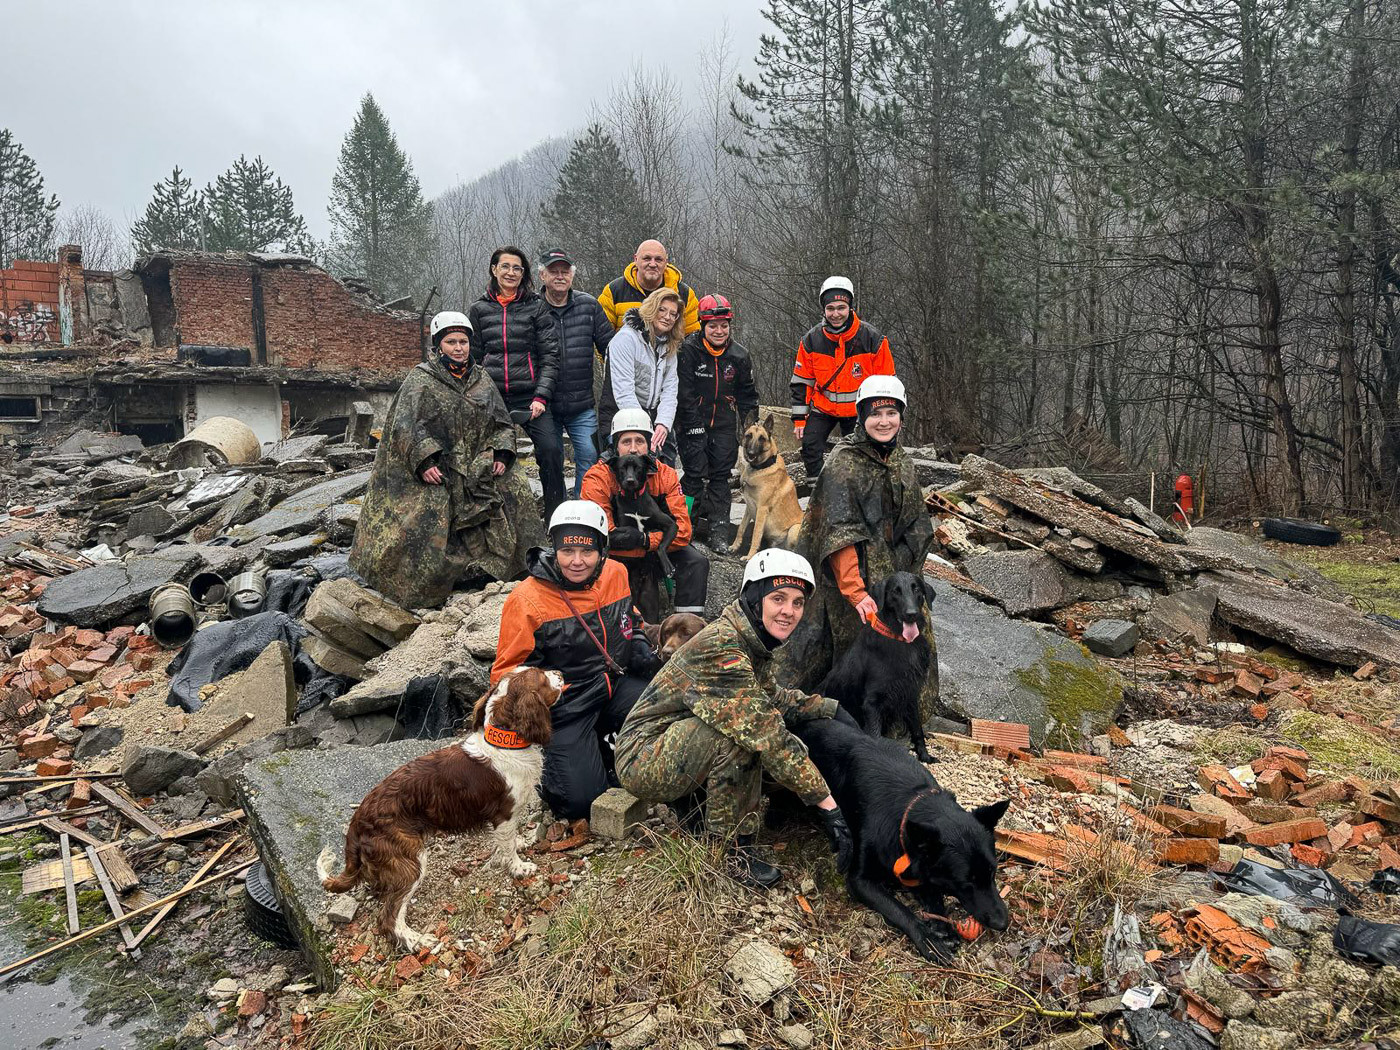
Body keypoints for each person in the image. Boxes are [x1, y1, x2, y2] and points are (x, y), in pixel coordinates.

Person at [616, 548, 854, 888]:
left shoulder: (749, 639)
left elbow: (772, 697)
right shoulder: (723, 647)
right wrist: (827, 804)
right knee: (742, 738)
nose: (789, 611)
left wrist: (830, 709)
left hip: (673, 742)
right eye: (778, 599)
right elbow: (764, 731)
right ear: (755, 599)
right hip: (642, 757)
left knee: (765, 735)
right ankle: (731, 850)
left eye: (798, 602)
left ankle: (695, 805)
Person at [349, 311, 545, 609]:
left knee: (516, 487)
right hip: (438, 466)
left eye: (463, 342)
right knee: (426, 511)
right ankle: (419, 588)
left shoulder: (482, 379)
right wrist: (425, 462)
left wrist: (502, 453)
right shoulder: (421, 379)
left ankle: (522, 567)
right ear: (439, 345)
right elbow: (405, 427)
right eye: (451, 342)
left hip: (478, 464)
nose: (458, 348)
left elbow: (502, 424)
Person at [777, 375, 938, 721]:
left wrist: (907, 580)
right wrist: (857, 592)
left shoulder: (901, 461)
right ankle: (835, 721)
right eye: (875, 414)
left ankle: (901, 723)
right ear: (862, 416)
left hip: (894, 580)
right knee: (856, 658)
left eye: (891, 413)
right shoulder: (843, 462)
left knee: (911, 643)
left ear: (901, 417)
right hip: (852, 582)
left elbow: (918, 525)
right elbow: (839, 532)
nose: (884, 421)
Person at [491, 501, 658, 821]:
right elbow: (504, 675)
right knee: (580, 803)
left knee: (669, 709)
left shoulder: (616, 573)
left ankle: (605, 745)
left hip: (613, 686)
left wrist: (638, 643)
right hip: (564, 708)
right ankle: (551, 761)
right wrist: (542, 704)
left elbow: (631, 619)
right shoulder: (526, 600)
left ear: (602, 551)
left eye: (587, 551)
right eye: (567, 550)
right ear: (554, 548)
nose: (577, 561)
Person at [580, 408, 709, 619]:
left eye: (639, 441)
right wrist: (641, 546)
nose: (633, 448)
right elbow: (601, 535)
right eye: (626, 441)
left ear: (649, 444)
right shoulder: (598, 477)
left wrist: (647, 542)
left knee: (696, 562)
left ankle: (686, 626)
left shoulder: (665, 474)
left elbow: (683, 531)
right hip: (617, 554)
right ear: (615, 445)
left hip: (655, 549)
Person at [468, 246, 565, 518]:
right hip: (492, 397)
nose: (511, 272)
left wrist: (541, 397)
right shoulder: (479, 309)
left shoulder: (537, 307)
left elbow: (550, 356)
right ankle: (485, 516)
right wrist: (478, 394)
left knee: (551, 451)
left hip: (530, 396)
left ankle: (555, 517)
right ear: (494, 269)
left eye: (517, 268)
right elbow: (474, 357)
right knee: (482, 454)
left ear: (524, 274)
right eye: (505, 266)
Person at [789, 276, 896, 479]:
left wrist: (882, 416)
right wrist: (799, 419)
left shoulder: (873, 339)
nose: (836, 314)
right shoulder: (811, 340)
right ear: (823, 310)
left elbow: (887, 382)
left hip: (858, 410)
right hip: (824, 407)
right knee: (810, 447)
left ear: (850, 308)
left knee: (860, 454)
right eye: (830, 308)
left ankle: (858, 491)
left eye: (841, 308)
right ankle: (818, 491)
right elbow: (802, 381)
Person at [676, 293, 759, 547]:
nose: (719, 331)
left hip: (723, 424)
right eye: (713, 326)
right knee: (693, 475)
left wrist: (750, 428)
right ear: (703, 325)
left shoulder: (739, 355)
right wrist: (692, 425)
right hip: (691, 422)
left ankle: (719, 533)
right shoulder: (689, 350)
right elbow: (683, 392)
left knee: (720, 478)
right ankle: (684, 528)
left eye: (724, 325)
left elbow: (748, 395)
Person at [537, 247, 613, 497]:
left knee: (590, 456)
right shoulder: (532, 308)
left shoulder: (588, 305)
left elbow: (610, 349)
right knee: (551, 459)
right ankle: (557, 509)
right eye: (553, 271)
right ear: (542, 276)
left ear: (572, 275)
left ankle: (581, 507)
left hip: (582, 404)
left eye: (565, 271)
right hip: (545, 405)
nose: (560, 276)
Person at [598, 286, 682, 466]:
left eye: (673, 314)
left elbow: (670, 390)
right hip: (620, 413)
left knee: (666, 464)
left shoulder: (669, 346)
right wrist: (645, 431)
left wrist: (663, 424)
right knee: (629, 469)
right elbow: (624, 392)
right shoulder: (625, 339)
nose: (667, 317)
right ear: (651, 308)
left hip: (655, 414)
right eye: (662, 310)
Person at [598, 238, 701, 334]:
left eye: (658, 259)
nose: (652, 264)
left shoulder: (684, 294)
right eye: (647, 258)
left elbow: (692, 337)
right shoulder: (613, 291)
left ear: (666, 262)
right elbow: (603, 336)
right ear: (636, 259)